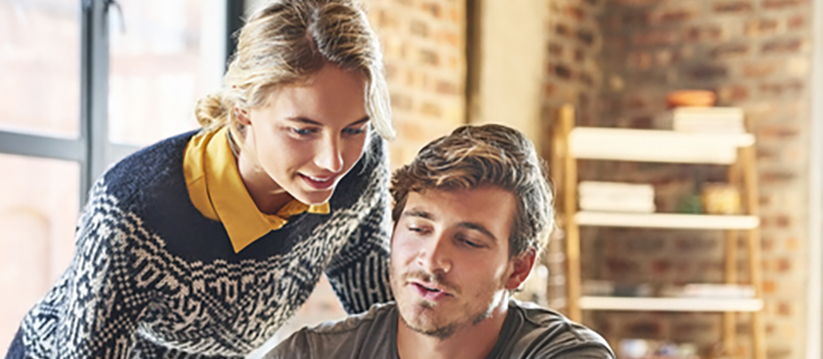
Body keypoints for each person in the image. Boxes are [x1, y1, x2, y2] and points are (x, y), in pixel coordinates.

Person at [5, 0, 398, 358]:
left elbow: (382, 318)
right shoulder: (132, 212)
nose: (333, 160)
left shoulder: (358, 170)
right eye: (302, 130)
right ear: (243, 114)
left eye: (354, 129)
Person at [264, 124, 615, 359]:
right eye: (419, 229)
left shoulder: (565, 354)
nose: (431, 262)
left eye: (468, 241)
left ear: (518, 268)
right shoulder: (312, 354)